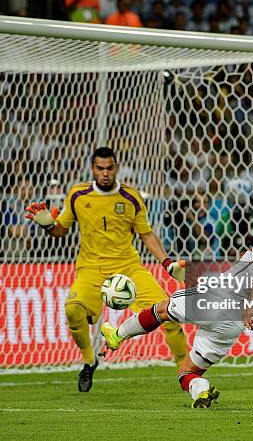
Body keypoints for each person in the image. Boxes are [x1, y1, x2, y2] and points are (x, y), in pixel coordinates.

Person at [100, 198, 253, 408]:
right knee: (188, 371)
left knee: (161, 309)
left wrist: (252, 302)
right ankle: (201, 389)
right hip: (234, 325)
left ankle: (117, 335)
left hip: (218, 301)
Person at [25, 147, 187, 392]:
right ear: (92, 168)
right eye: (100, 168)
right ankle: (90, 361)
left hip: (128, 267)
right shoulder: (78, 195)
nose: (105, 173)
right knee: (72, 311)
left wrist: (167, 263)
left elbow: (146, 234)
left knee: (170, 313)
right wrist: (48, 225)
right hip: (91, 268)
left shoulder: (131, 197)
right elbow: (61, 230)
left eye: (109, 168)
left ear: (116, 168)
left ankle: (186, 373)